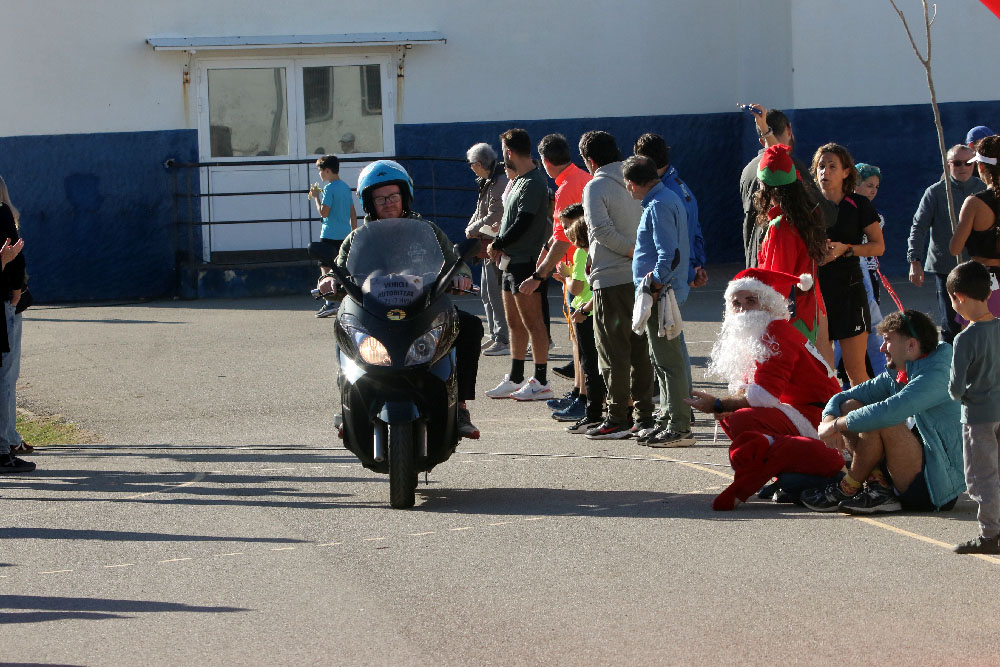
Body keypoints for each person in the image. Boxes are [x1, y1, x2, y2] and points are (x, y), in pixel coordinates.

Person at [318, 160, 484, 439]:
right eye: (379, 198)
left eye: (393, 196)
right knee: (343, 328)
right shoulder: (358, 238)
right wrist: (329, 280)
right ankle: (349, 405)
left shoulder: (428, 232)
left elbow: (455, 263)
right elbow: (340, 267)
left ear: (405, 195)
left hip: (424, 310)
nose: (388, 203)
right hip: (373, 314)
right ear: (369, 204)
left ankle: (461, 406)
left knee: (469, 326)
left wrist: (462, 276)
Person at [801, 310, 965, 514]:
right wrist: (828, 420)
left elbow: (888, 413)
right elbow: (842, 397)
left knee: (881, 419)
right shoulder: (902, 367)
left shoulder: (939, 374)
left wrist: (836, 426)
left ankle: (849, 487)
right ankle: (879, 487)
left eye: (887, 340)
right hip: (909, 464)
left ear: (911, 345)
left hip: (934, 488)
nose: (881, 348)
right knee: (851, 405)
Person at [686, 268, 840, 442]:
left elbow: (765, 395)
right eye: (737, 304)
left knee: (739, 418)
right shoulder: (760, 332)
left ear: (768, 304)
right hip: (797, 407)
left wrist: (717, 404)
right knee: (730, 414)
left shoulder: (775, 332)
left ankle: (790, 458)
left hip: (818, 415)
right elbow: (750, 390)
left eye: (750, 301)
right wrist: (724, 405)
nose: (743, 310)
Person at [578, 131, 654, 439]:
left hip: (612, 278)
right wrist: (642, 254)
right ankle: (644, 414)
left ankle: (616, 416)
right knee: (640, 349)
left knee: (612, 351)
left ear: (590, 160)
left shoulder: (596, 185)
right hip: (641, 277)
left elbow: (601, 232)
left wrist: (632, 252)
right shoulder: (634, 179)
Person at [623, 155, 694, 447]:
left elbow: (669, 254)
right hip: (662, 292)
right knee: (662, 360)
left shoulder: (659, 205)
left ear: (632, 184)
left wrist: (652, 286)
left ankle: (678, 426)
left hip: (662, 294)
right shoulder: (666, 197)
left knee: (669, 362)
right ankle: (668, 419)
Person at [484, 129, 554, 401]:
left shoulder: (534, 182)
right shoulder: (518, 180)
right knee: (514, 322)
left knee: (533, 323)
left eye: (503, 152)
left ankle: (541, 380)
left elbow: (523, 222)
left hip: (526, 262)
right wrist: (498, 240)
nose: (503, 158)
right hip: (509, 262)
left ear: (510, 152)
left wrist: (498, 242)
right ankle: (515, 377)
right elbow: (512, 220)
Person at [811, 143, 884, 387]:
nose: (825, 171)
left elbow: (878, 246)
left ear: (845, 172)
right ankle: (827, 423)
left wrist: (847, 249)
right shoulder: (807, 205)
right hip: (814, 293)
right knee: (821, 371)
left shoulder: (858, 204)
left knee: (855, 372)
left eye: (832, 166)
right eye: (821, 166)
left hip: (849, 291)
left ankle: (865, 424)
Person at [753, 143, 831, 363]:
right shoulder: (806, 218)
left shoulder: (781, 226)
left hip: (791, 317)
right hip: (811, 309)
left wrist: (764, 319)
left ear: (765, 187)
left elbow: (778, 281)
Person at [946, 261, 1000, 554]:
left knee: (981, 477)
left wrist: (961, 394)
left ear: (959, 297)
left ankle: (990, 534)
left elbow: (955, 388)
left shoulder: (964, 338)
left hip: (978, 416)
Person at [740, 105, 836, 267]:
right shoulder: (790, 167)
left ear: (761, 140)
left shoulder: (748, 171)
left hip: (757, 266)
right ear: (789, 128)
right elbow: (825, 215)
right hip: (788, 270)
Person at [907, 144, 984, 343]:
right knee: (951, 322)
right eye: (957, 163)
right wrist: (915, 260)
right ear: (948, 165)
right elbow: (919, 226)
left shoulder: (983, 189)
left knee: (982, 318)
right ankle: (950, 369)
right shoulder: (936, 192)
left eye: (968, 162)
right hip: (947, 267)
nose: (963, 167)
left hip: (979, 266)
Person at [537, 133, 591, 384]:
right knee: (581, 337)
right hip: (580, 266)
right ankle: (582, 389)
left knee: (581, 338)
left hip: (574, 269)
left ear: (546, 161)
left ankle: (584, 393)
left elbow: (563, 235)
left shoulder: (566, 187)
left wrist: (543, 271)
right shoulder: (582, 178)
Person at [553, 204, 606, 432]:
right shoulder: (598, 248)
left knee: (589, 364)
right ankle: (599, 407)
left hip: (586, 312)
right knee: (598, 364)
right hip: (595, 311)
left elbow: (575, 287)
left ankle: (592, 411)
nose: (565, 232)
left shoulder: (581, 252)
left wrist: (565, 276)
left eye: (567, 228)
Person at [633, 133, 707, 288]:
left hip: (665, 282)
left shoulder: (663, 196)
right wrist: (696, 266)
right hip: (677, 274)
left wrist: (656, 284)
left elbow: (672, 246)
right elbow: (694, 229)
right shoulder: (679, 186)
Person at [464, 142, 510, 356]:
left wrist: (472, 229)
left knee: (494, 292)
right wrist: (471, 227)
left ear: (480, 163)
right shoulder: (488, 180)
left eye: (472, 164)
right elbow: (479, 210)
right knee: (486, 292)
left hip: (496, 244)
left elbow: (496, 214)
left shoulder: (498, 181)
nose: (470, 168)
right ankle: (494, 335)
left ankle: (502, 338)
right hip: (486, 244)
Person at [950, 135, 1000, 313]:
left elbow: (955, 248)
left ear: (980, 166)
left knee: (980, 335)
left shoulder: (974, 203)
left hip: (983, 282)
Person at [0, 193, 29, 473]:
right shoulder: (2, 213)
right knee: (6, 375)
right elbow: (15, 259)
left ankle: (8, 442)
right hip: (5, 301)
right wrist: (17, 292)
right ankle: (6, 444)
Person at [309, 154, 357, 318]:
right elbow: (352, 212)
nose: (320, 175)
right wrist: (354, 232)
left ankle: (329, 301)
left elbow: (324, 212)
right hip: (345, 234)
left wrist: (316, 198)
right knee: (342, 268)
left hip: (329, 234)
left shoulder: (329, 188)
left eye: (320, 171)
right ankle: (343, 300)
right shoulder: (344, 187)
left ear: (327, 171)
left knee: (326, 268)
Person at [852, 162, 887, 377]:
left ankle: (876, 372)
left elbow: (877, 247)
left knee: (871, 323)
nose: (873, 190)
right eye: (868, 185)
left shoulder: (875, 215)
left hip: (871, 275)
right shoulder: (847, 210)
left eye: (876, 186)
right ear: (855, 185)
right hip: (854, 274)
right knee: (860, 325)